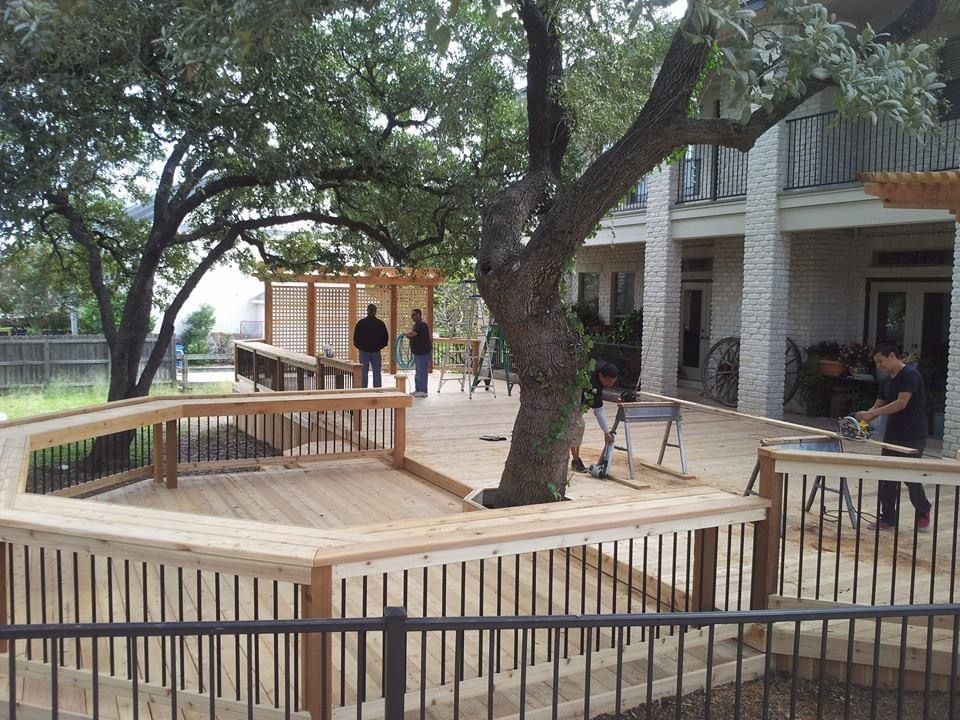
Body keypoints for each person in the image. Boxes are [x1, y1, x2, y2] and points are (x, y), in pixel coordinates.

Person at [855, 341, 932, 532]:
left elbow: (901, 403)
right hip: (894, 433)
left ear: (891, 356)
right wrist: (863, 421)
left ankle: (924, 509)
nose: (879, 366)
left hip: (914, 433)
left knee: (910, 475)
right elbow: (878, 405)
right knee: (887, 475)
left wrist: (873, 414)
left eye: (881, 361)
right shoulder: (887, 380)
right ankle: (888, 517)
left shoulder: (910, 375)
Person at [570, 363, 619, 473]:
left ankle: (575, 459)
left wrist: (606, 431)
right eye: (608, 382)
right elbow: (598, 410)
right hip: (572, 400)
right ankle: (576, 459)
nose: (610, 385)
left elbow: (599, 408)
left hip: (579, 403)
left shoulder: (599, 372)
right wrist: (606, 432)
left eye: (612, 382)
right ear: (601, 376)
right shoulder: (592, 383)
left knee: (578, 425)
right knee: (578, 426)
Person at [352, 304, 389, 388]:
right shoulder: (380, 323)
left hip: (366, 351)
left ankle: (364, 390)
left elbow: (355, 338)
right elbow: (385, 338)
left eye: (372, 310)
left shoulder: (361, 323)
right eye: (371, 310)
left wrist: (360, 347)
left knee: (364, 372)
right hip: (373, 351)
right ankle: (377, 390)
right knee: (376, 372)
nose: (371, 311)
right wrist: (379, 346)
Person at [404, 308, 432, 397]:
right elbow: (415, 336)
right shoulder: (416, 325)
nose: (412, 317)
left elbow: (413, 334)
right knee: (418, 372)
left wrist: (405, 334)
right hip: (418, 353)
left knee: (422, 372)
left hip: (423, 353)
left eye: (414, 315)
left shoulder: (421, 325)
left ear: (419, 315)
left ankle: (423, 391)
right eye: (411, 315)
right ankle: (418, 389)